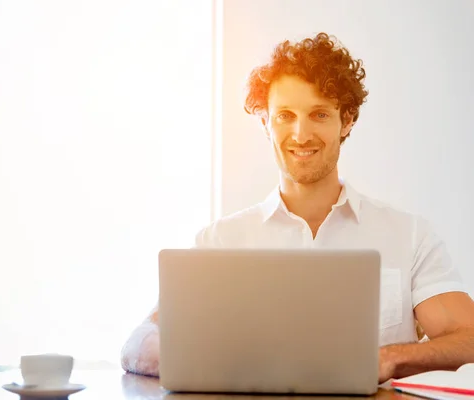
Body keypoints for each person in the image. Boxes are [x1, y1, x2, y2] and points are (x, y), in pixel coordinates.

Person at [120, 32, 474, 383]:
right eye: (284, 115)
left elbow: (469, 338)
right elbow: (140, 342)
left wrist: (388, 358)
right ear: (265, 123)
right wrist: (225, 361)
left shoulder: (409, 236)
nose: (301, 134)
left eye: (319, 114)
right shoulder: (221, 241)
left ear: (347, 120)